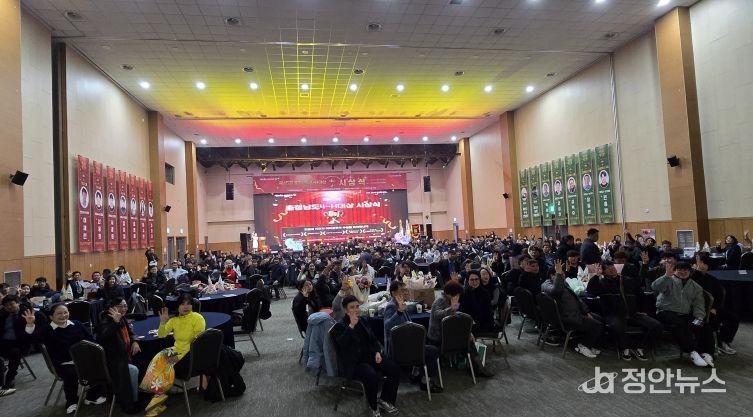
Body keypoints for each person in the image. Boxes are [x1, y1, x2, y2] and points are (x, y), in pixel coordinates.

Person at [23, 303, 105, 414]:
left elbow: (91, 340)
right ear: (51, 317)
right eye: (59, 313)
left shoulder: (76, 324)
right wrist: (30, 324)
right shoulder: (47, 330)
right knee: (71, 373)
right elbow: (31, 340)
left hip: (83, 359)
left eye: (65, 312)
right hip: (63, 363)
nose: (63, 315)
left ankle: (91, 396)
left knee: (100, 365)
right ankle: (71, 401)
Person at [331, 295, 400, 417]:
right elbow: (342, 346)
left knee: (394, 369)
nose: (356, 310)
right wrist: (351, 326)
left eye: (357, 306)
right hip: (354, 362)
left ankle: (385, 400)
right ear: (346, 310)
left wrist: (377, 352)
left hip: (370, 356)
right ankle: (373, 406)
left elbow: (373, 339)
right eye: (352, 307)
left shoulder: (363, 320)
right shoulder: (340, 326)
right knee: (371, 376)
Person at [140, 294, 206, 416]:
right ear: (177, 306)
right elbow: (162, 335)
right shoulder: (174, 320)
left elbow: (198, 341)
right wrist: (162, 323)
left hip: (190, 352)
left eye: (188, 304)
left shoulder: (198, 317)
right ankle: (158, 395)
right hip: (176, 350)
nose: (186, 307)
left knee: (163, 363)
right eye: (182, 304)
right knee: (157, 359)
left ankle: (158, 398)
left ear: (192, 306)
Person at [586, 261, 662, 361]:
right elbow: (591, 291)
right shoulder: (601, 283)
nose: (611, 269)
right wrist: (596, 276)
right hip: (614, 315)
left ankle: (641, 348)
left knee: (656, 326)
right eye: (608, 268)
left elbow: (641, 296)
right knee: (619, 326)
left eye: (612, 266)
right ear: (603, 272)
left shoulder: (628, 280)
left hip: (633, 314)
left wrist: (644, 310)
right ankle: (625, 349)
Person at [651, 261, 715, 367]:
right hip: (665, 312)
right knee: (680, 324)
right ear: (675, 271)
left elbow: (698, 304)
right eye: (679, 269)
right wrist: (666, 276)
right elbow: (655, 287)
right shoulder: (669, 280)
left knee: (703, 326)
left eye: (685, 270)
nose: (682, 272)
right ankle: (693, 352)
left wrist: (699, 317)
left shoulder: (696, 287)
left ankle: (707, 353)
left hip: (685, 314)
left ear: (690, 272)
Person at [382, 281, 442, 394]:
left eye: (406, 290)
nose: (406, 292)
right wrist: (399, 312)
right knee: (433, 351)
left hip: (406, 344)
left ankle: (415, 374)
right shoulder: (391, 306)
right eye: (402, 290)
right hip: (399, 349)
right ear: (394, 293)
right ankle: (425, 382)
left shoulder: (401, 304)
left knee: (425, 343)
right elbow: (387, 326)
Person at [427, 281, 492, 377]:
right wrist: (451, 308)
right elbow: (437, 314)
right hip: (438, 336)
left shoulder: (451, 299)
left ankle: (476, 366)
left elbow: (455, 317)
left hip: (447, 333)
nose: (458, 297)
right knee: (467, 342)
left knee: (468, 340)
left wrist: (468, 332)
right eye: (457, 295)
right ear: (450, 293)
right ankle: (477, 367)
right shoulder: (440, 299)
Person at [542, 260, 604, 358]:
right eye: (560, 274)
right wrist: (559, 275)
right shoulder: (546, 285)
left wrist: (586, 312)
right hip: (566, 317)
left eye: (563, 274)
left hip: (574, 312)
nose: (563, 275)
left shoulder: (563, 283)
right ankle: (583, 345)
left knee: (599, 319)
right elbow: (556, 291)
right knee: (596, 325)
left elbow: (577, 299)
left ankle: (590, 344)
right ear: (552, 275)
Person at [95, 298, 143, 414]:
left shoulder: (122, 318)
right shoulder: (105, 321)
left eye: (125, 306)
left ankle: (143, 393)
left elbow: (131, 333)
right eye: (120, 306)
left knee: (144, 359)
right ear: (111, 308)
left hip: (124, 355)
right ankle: (132, 402)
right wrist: (115, 323)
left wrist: (135, 342)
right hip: (113, 362)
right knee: (133, 370)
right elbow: (102, 338)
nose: (123, 308)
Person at [692, 253, 739, 355]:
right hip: (695, 309)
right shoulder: (690, 276)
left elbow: (719, 295)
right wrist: (696, 271)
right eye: (699, 261)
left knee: (733, 318)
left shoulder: (712, 279)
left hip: (711, 308)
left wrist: (714, 308)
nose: (701, 264)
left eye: (704, 263)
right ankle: (714, 343)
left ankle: (723, 341)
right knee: (712, 320)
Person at [0, 294, 43, 391]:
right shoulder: (2, 314)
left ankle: (10, 377)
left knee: (15, 352)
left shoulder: (27, 313)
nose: (9, 307)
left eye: (11, 304)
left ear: (18, 303)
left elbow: (32, 335)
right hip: (4, 342)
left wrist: (30, 324)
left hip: (21, 343)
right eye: (6, 305)